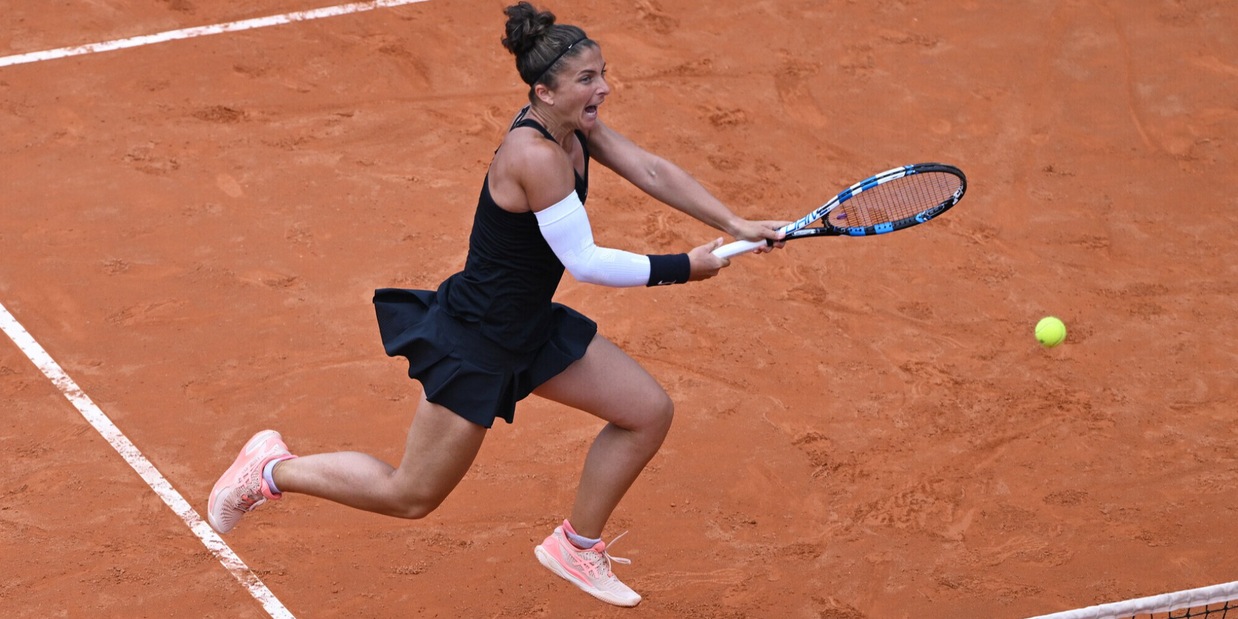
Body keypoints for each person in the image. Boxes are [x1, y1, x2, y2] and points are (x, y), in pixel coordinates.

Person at [207, 1, 785, 608]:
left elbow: (651, 169)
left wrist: (734, 221)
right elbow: (584, 261)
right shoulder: (533, 155)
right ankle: (271, 470)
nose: (604, 89)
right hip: (478, 340)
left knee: (646, 412)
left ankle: (576, 547)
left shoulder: (572, 126)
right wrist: (684, 268)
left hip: (528, 327)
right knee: (411, 495)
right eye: (588, 80)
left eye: (602, 73)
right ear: (544, 90)